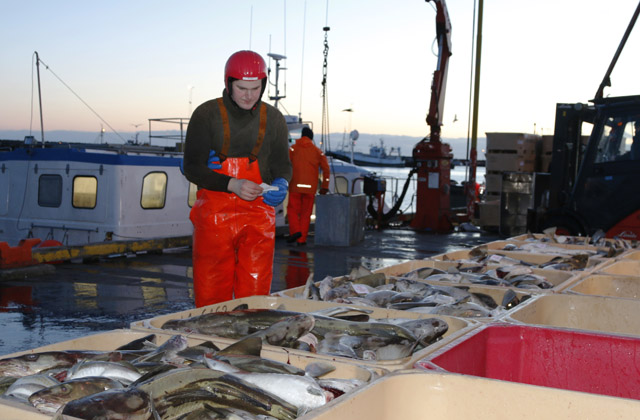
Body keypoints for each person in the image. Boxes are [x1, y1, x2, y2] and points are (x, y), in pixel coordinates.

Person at [182, 50, 292, 307]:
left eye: (255, 88)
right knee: (210, 295)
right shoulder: (205, 114)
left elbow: (282, 164)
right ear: (228, 83)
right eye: (241, 87)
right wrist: (232, 184)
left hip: (258, 217)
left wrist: (282, 182)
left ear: (263, 84)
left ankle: (249, 342)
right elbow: (192, 167)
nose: (248, 94)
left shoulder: (274, 119)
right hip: (214, 219)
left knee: (254, 297)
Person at [286, 126, 330, 246]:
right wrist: (325, 186)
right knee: (306, 214)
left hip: (295, 186)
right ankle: (302, 240)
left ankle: (295, 231)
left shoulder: (293, 149)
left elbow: (286, 165)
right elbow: (326, 170)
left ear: (302, 136)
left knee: (292, 210)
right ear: (311, 137)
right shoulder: (317, 151)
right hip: (310, 188)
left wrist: (284, 181)